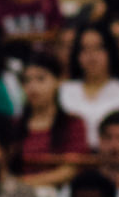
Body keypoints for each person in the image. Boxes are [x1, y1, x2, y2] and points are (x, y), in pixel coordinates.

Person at [60, 21, 119, 152]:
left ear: (110, 51)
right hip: (70, 165)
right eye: (84, 49)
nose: (91, 55)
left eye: (98, 48)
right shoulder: (62, 91)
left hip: (118, 165)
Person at [14, 50, 88, 186]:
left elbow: (70, 170)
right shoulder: (14, 125)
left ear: (58, 81)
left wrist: (24, 184)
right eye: (27, 80)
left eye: (40, 79)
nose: (32, 87)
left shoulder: (73, 123)